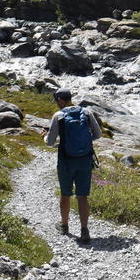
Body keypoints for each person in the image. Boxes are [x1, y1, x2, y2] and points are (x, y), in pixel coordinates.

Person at [43, 88, 102, 243]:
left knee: (65, 194)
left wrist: (44, 137)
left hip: (66, 160)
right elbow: (98, 134)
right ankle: (84, 229)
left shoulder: (59, 116)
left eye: (57, 101)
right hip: (84, 160)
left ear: (61, 100)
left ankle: (64, 225)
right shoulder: (87, 112)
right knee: (82, 196)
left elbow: (50, 142)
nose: (57, 104)